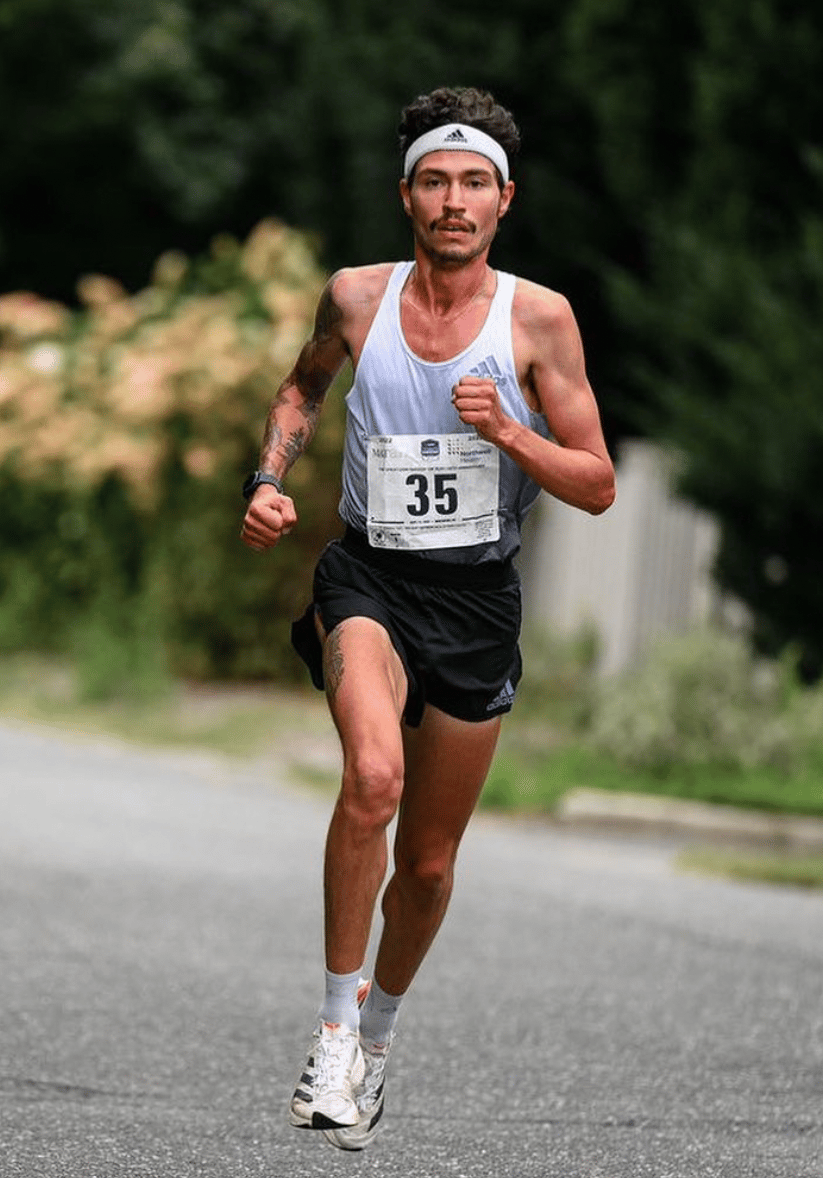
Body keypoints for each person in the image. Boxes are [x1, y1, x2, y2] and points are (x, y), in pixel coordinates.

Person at [240, 85, 615, 1151]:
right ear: (405, 194)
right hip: (368, 577)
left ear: (504, 200)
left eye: (474, 183)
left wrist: (512, 433)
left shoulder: (538, 319)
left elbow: (596, 482)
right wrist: (268, 480)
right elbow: (301, 390)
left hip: (477, 598)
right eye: (435, 181)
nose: (454, 201)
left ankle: (376, 1042)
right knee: (372, 777)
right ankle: (331, 1030)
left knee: (431, 864)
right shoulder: (356, 297)